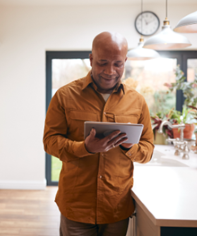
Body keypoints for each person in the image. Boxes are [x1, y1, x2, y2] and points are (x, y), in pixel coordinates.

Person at [43, 31, 154, 236]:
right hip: (76, 206)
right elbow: (50, 142)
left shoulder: (137, 101)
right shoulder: (64, 96)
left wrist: (130, 146)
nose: (110, 71)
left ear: (125, 62)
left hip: (116, 207)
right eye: (102, 62)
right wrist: (85, 148)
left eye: (117, 64)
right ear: (91, 59)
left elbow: (147, 151)